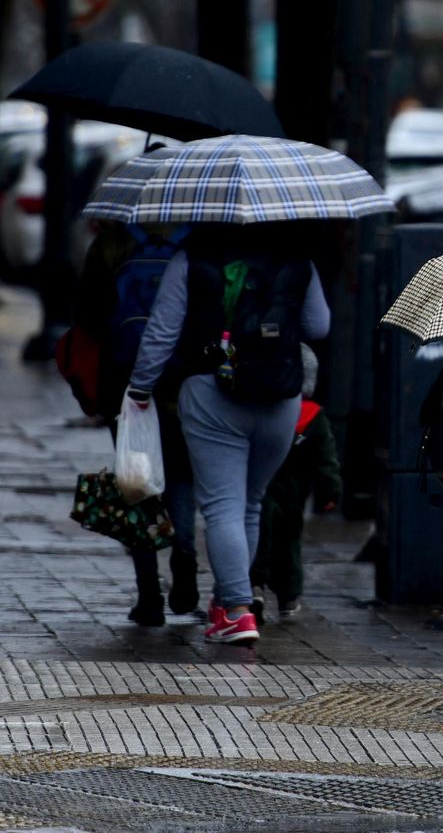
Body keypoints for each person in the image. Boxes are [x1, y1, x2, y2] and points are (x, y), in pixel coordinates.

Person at [127, 224, 330, 645]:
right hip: (280, 394)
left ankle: (237, 610)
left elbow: (163, 330)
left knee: (222, 505)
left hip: (210, 390)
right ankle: (228, 602)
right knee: (250, 502)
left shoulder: (193, 256)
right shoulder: (298, 259)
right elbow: (318, 326)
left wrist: (140, 388)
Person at [72, 221, 199, 626]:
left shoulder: (113, 239)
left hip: (125, 383)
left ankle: (149, 596)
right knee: (181, 475)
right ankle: (185, 553)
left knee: (135, 480)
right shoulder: (198, 236)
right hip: (183, 381)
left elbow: (88, 312)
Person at [250, 344, 341, 622]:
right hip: (294, 494)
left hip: (261, 487)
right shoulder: (313, 417)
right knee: (288, 543)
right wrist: (330, 492)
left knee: (258, 535)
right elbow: (325, 459)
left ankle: (254, 586)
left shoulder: (263, 410)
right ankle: (288, 596)